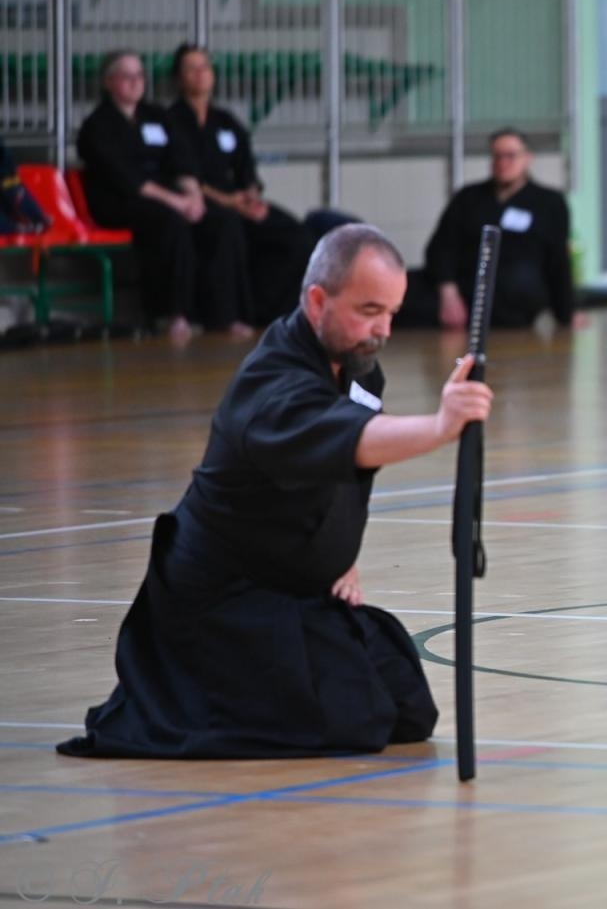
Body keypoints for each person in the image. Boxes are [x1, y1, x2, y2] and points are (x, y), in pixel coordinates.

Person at [58, 224, 494, 759]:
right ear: (317, 300)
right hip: (222, 599)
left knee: (404, 702)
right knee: (357, 720)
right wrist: (438, 427)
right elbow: (350, 439)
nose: (381, 330)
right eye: (368, 311)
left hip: (294, 588)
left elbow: (333, 473)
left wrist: (337, 554)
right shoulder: (272, 386)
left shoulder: (357, 370)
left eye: (391, 314)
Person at [75, 50, 252, 341]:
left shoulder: (156, 116)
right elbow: (127, 178)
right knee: (172, 224)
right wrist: (177, 202)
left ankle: (224, 314)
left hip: (172, 198)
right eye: (126, 76)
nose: (135, 82)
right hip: (122, 202)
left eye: (139, 75)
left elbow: (181, 162)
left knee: (222, 221)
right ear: (109, 82)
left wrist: (193, 197)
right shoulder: (97, 125)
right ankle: (173, 314)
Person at [166, 43, 317, 325]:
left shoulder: (226, 121)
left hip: (239, 203)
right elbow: (183, 173)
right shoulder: (171, 121)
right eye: (191, 69)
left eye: (205, 67)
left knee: (298, 237)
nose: (200, 74)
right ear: (179, 77)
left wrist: (251, 198)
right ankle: (228, 316)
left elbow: (247, 170)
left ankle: (275, 313)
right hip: (201, 206)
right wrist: (229, 202)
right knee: (227, 228)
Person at [403, 129, 578, 330]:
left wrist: (566, 313)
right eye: (497, 155)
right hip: (465, 287)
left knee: (519, 282)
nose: (503, 162)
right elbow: (441, 247)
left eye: (510, 156)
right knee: (400, 287)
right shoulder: (468, 197)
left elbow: (558, 261)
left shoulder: (549, 202)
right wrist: (448, 293)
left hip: (514, 297)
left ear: (528, 158)